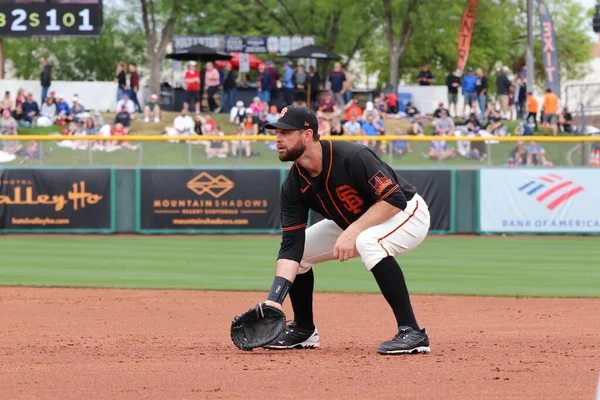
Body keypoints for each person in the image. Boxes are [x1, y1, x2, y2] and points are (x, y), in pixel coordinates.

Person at [247, 105, 432, 355]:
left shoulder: (352, 156)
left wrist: (352, 232)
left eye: (286, 132)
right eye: (276, 133)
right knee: (302, 252)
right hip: (357, 222)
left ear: (308, 134)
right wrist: (274, 300)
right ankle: (303, 329)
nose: (278, 139)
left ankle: (413, 332)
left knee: (368, 240)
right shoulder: (292, 185)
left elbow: (394, 200)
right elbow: (291, 245)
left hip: (407, 212)